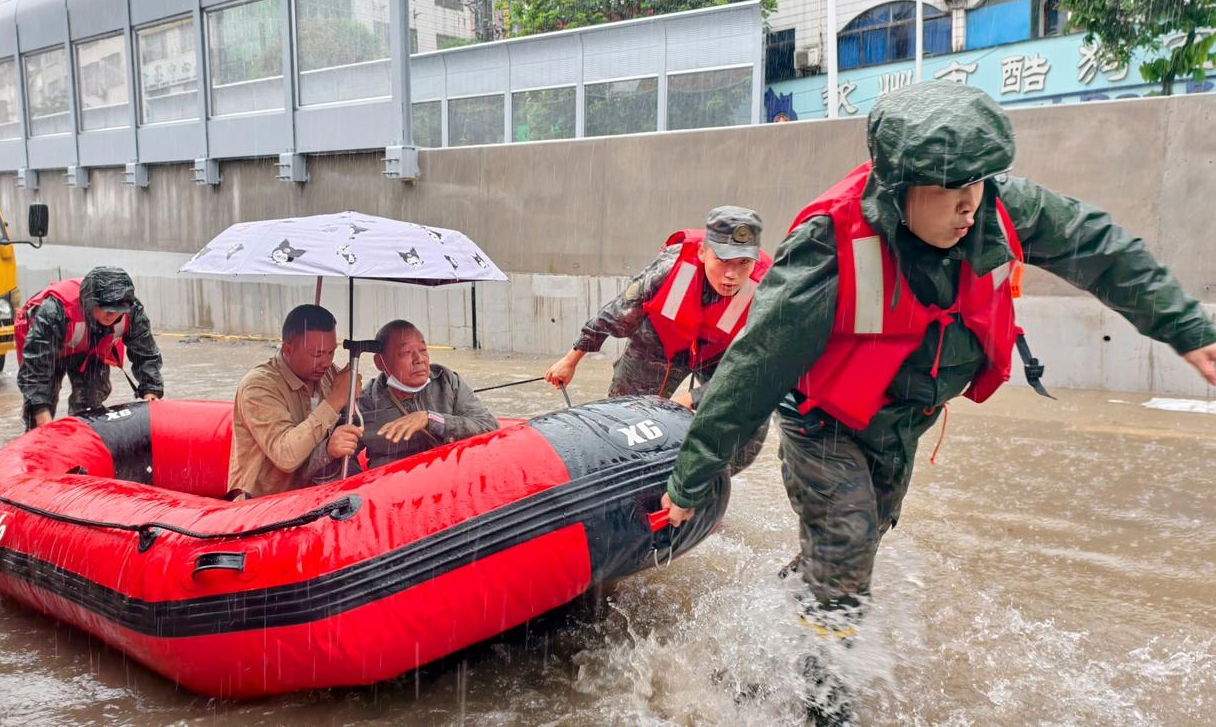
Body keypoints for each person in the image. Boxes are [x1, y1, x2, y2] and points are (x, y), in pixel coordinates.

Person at [659, 81, 1216, 718]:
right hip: (824, 425)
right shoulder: (829, 243)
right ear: (900, 191)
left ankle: (755, 640)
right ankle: (822, 705)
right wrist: (692, 479)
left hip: (899, 427)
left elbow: (1102, 249)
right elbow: (755, 364)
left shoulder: (1000, 206)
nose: (969, 208)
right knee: (845, 550)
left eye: (976, 187)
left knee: (849, 555)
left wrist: (1187, 330)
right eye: (950, 193)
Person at [543, 206, 774, 470]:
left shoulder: (768, 291)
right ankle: (621, 476)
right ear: (702, 252)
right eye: (723, 260)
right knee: (622, 420)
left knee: (750, 421)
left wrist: (691, 400)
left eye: (743, 262)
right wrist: (571, 359)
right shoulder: (671, 266)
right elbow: (617, 312)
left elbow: (755, 372)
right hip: (659, 343)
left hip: (721, 353)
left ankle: (697, 484)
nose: (732, 275)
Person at [227, 304, 362, 499]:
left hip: (312, 493)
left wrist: (352, 399)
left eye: (331, 352)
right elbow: (285, 456)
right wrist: (334, 400)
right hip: (261, 503)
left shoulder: (328, 374)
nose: (325, 362)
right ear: (288, 349)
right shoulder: (258, 386)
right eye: (317, 354)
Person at [16, 266, 163, 429]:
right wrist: (41, 412)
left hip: (90, 354)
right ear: (90, 303)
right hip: (49, 356)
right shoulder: (55, 311)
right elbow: (35, 365)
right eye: (106, 309)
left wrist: (151, 390)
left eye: (118, 310)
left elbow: (146, 353)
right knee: (40, 409)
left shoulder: (132, 311)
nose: (111, 315)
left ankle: (83, 437)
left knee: (90, 405)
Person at [340, 319, 497, 471]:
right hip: (395, 489)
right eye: (406, 352)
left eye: (423, 350)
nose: (419, 359)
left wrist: (431, 419)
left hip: (449, 478)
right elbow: (341, 459)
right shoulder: (363, 405)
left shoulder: (447, 381)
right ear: (380, 362)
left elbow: (489, 426)